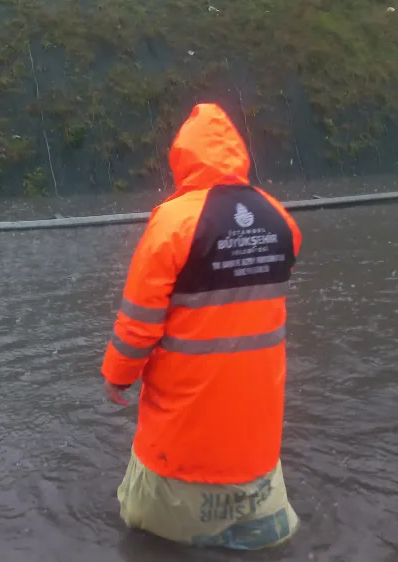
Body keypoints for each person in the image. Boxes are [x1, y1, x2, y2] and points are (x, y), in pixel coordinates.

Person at [101, 103, 303, 549]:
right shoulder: (278, 219)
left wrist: (117, 377)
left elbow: (138, 325)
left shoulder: (172, 223)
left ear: (183, 158)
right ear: (238, 153)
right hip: (256, 428)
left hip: (183, 432)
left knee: (148, 534)